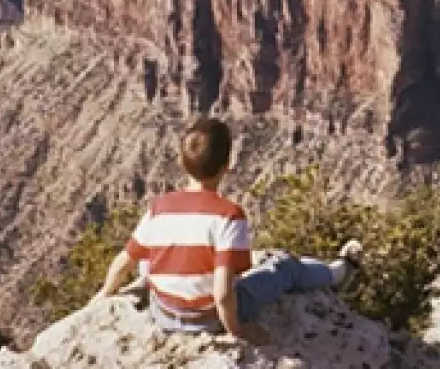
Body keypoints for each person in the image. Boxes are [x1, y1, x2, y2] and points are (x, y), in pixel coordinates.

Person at [94, 118, 362, 343]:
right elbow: (223, 292)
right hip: (207, 318)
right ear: (226, 166)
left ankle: (163, 283)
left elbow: (122, 262)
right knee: (283, 268)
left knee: (146, 255)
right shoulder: (229, 216)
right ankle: (338, 272)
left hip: (163, 314)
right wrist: (237, 330)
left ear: (181, 162)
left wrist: (104, 295)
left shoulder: (160, 208)